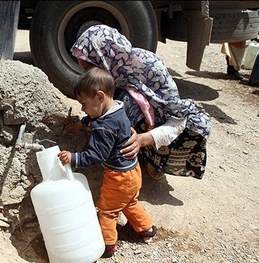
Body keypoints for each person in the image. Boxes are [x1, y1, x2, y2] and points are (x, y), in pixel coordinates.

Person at [68, 24, 212, 180]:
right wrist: (84, 123)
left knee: (126, 103)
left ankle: (153, 159)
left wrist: (142, 140)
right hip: (138, 123)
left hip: (168, 127)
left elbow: (177, 120)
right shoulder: (116, 71)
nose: (89, 75)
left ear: (105, 58)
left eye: (91, 69)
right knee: (116, 105)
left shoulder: (149, 67)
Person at [58, 66, 156, 259]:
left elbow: (96, 155)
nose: (83, 109)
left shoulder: (104, 128)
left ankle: (107, 245)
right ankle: (147, 229)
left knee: (107, 211)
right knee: (129, 202)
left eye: (84, 104)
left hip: (118, 178)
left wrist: (73, 158)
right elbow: (97, 117)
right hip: (133, 172)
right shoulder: (118, 108)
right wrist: (83, 123)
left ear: (100, 96)